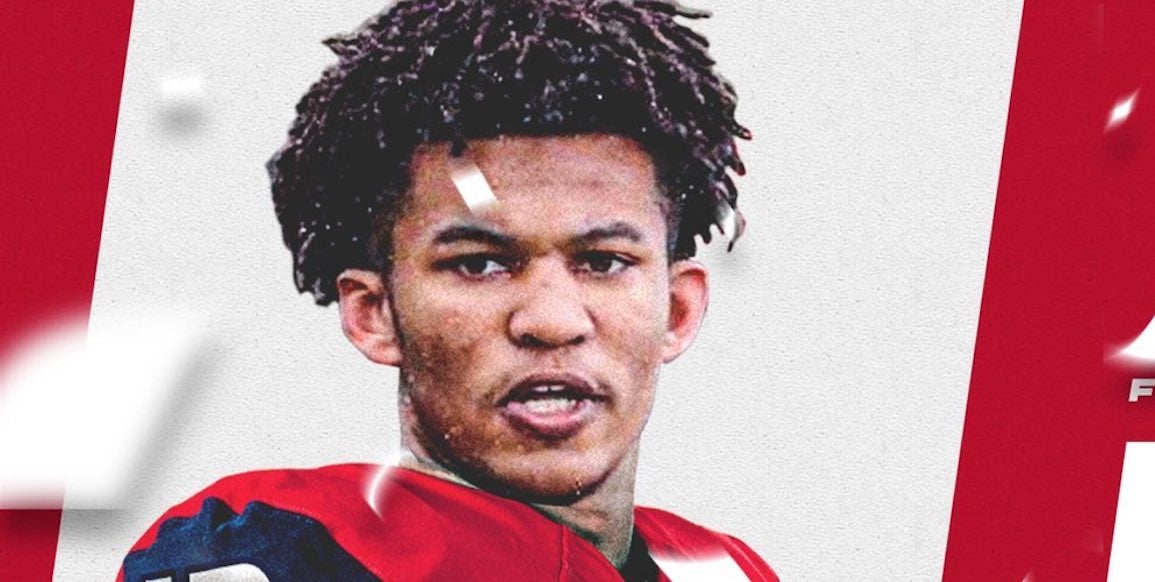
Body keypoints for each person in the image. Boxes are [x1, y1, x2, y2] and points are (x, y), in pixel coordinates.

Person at [119, 0, 775, 580]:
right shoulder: (286, 553)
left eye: (603, 262)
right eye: (480, 264)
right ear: (374, 314)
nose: (551, 320)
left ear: (678, 310)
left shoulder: (722, 568)